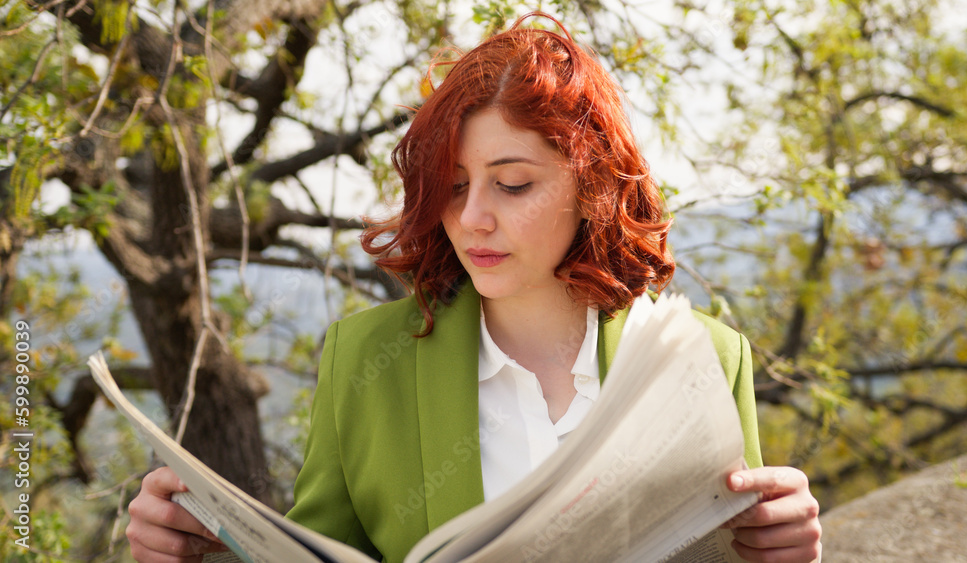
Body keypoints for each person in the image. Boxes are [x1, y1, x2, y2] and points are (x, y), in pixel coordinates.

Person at [125, 12, 822, 563]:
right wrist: (191, 550)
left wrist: (784, 554)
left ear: (591, 187)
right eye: (453, 187)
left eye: (513, 183)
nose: (473, 217)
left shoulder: (702, 356)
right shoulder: (364, 362)